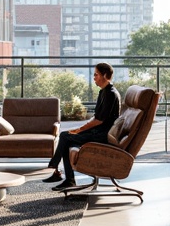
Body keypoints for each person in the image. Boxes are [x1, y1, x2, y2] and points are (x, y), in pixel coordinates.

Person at [43, 62, 121, 191]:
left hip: (102, 135)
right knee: (67, 139)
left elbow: (99, 120)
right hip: (97, 131)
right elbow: (96, 117)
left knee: (64, 136)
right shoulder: (104, 92)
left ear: (105, 75)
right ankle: (68, 179)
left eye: (96, 74)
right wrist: (79, 129)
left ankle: (55, 168)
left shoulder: (111, 94)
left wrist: (80, 130)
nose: (94, 77)